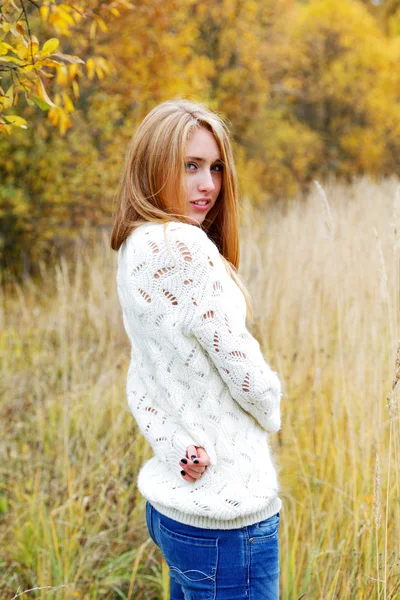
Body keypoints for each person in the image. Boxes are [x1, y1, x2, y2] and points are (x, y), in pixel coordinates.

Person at [110, 98, 283, 600]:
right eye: (190, 167)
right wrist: (270, 405)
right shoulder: (183, 247)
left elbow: (141, 376)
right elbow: (244, 372)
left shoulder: (135, 246)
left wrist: (173, 443)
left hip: (176, 512)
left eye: (215, 168)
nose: (207, 185)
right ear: (153, 165)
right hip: (227, 521)